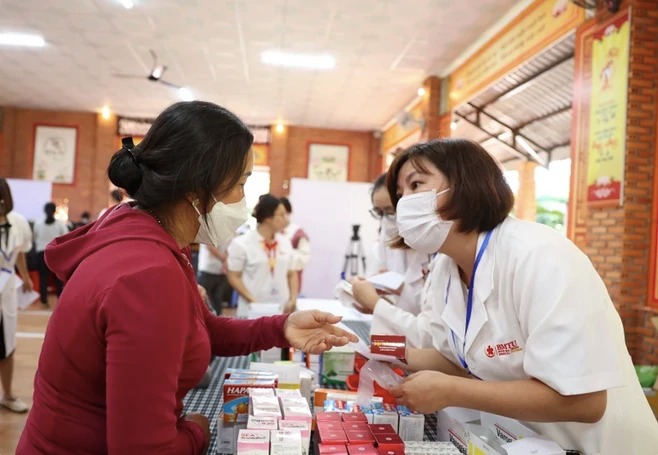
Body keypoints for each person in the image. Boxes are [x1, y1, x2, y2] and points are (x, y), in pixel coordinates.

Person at [17, 101, 357, 454]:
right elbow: (144, 450)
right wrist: (198, 429)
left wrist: (281, 327)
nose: (244, 201)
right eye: (240, 184)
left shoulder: (148, 237)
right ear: (196, 190)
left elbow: (200, 328)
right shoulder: (148, 276)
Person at [382, 139, 658, 454]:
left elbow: (585, 402)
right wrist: (373, 347)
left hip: (596, 445)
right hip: (525, 442)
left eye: (416, 184)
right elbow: (455, 359)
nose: (404, 203)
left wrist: (453, 390)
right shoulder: (446, 267)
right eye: (400, 194)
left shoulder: (539, 255)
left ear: (465, 185)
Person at [351, 174, 434, 340]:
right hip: (405, 336)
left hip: (426, 343)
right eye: (378, 212)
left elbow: (430, 329)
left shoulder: (437, 251)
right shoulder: (386, 240)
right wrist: (375, 301)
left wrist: (377, 304)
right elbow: (401, 303)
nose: (385, 221)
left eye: (390, 211)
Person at [227, 194, 299, 318]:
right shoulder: (241, 243)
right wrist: (253, 300)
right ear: (268, 218)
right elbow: (233, 276)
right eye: (281, 215)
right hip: (252, 311)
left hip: (281, 311)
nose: (286, 219)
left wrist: (292, 299)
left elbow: (292, 273)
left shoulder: (285, 242)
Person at [0, 179, 34, 413]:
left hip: (7, 286)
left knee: (7, 343)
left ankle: (8, 394)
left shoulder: (18, 222)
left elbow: (20, 251)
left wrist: (26, 276)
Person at [32, 202, 68, 306]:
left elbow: (34, 238)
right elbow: (65, 238)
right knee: (58, 278)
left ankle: (43, 301)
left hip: (41, 253)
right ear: (54, 211)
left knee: (43, 278)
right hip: (56, 254)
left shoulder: (38, 224)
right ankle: (60, 301)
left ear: (44, 211)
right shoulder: (60, 224)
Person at [197, 244, 233, 314]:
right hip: (207, 269)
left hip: (221, 271)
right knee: (202, 300)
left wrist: (227, 262)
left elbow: (230, 248)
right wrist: (225, 259)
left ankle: (217, 318)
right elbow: (209, 246)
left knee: (217, 300)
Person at [279, 197, 311, 273]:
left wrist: (284, 254)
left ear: (289, 212)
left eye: (283, 213)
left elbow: (304, 258)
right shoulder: (273, 230)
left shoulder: (298, 233)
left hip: (291, 274)